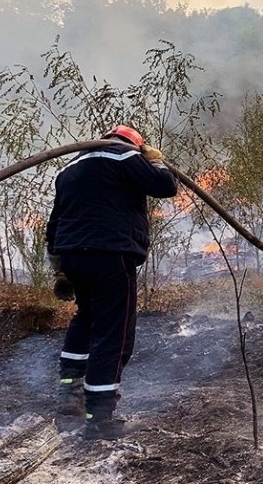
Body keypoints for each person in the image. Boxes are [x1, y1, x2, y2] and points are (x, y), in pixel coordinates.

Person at [46, 125, 177, 440]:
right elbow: (165, 186)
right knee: (113, 333)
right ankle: (100, 418)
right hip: (111, 256)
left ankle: (69, 393)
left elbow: (54, 224)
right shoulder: (124, 155)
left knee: (86, 319)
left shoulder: (68, 169)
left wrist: (59, 267)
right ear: (135, 144)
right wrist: (156, 161)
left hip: (74, 257)